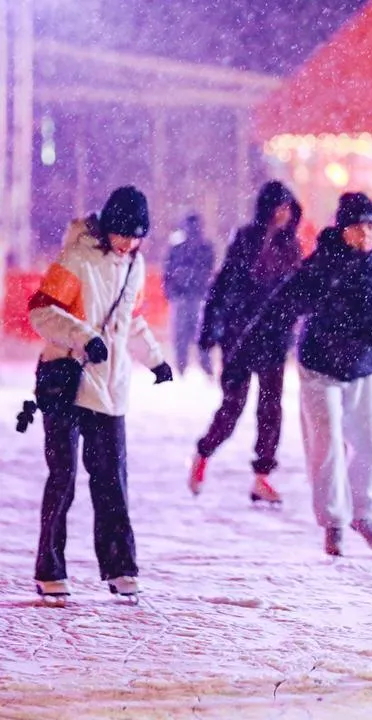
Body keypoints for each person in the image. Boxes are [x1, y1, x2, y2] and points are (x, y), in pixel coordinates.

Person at [27, 185, 172, 601]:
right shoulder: (76, 259)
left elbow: (130, 321)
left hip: (111, 388)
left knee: (112, 482)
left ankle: (120, 567)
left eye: (137, 235)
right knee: (64, 478)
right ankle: (50, 567)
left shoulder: (135, 266)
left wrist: (155, 359)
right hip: (67, 382)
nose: (129, 242)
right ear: (108, 227)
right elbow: (41, 310)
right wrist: (82, 337)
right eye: (123, 233)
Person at [250, 192, 372, 556]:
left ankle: (363, 513)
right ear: (342, 230)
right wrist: (257, 342)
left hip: (363, 370)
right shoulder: (322, 265)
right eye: (358, 227)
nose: (367, 234)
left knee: (369, 446)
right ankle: (333, 522)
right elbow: (283, 302)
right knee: (325, 446)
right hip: (319, 367)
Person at [192, 180, 302, 504]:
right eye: (278, 208)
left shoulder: (292, 246)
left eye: (288, 209)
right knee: (233, 405)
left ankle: (262, 477)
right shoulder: (246, 239)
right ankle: (204, 451)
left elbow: (298, 292)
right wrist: (209, 332)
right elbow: (223, 284)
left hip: (274, 338)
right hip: (240, 337)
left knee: (270, 409)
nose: (283, 215)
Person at [162, 212, 215, 377]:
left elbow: (169, 273)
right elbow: (169, 273)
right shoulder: (185, 248)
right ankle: (189, 367)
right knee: (189, 335)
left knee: (191, 335)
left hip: (194, 296)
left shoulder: (200, 248)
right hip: (188, 296)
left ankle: (192, 367)